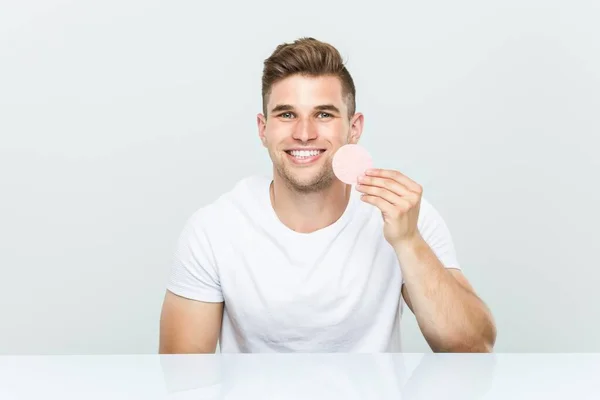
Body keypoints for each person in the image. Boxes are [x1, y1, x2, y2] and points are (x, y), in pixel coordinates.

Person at [158, 37, 497, 353]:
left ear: (354, 128)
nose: (304, 133)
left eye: (323, 114)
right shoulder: (214, 229)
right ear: (263, 129)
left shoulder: (405, 216)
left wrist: (408, 242)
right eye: (287, 114)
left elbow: (473, 344)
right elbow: (182, 380)